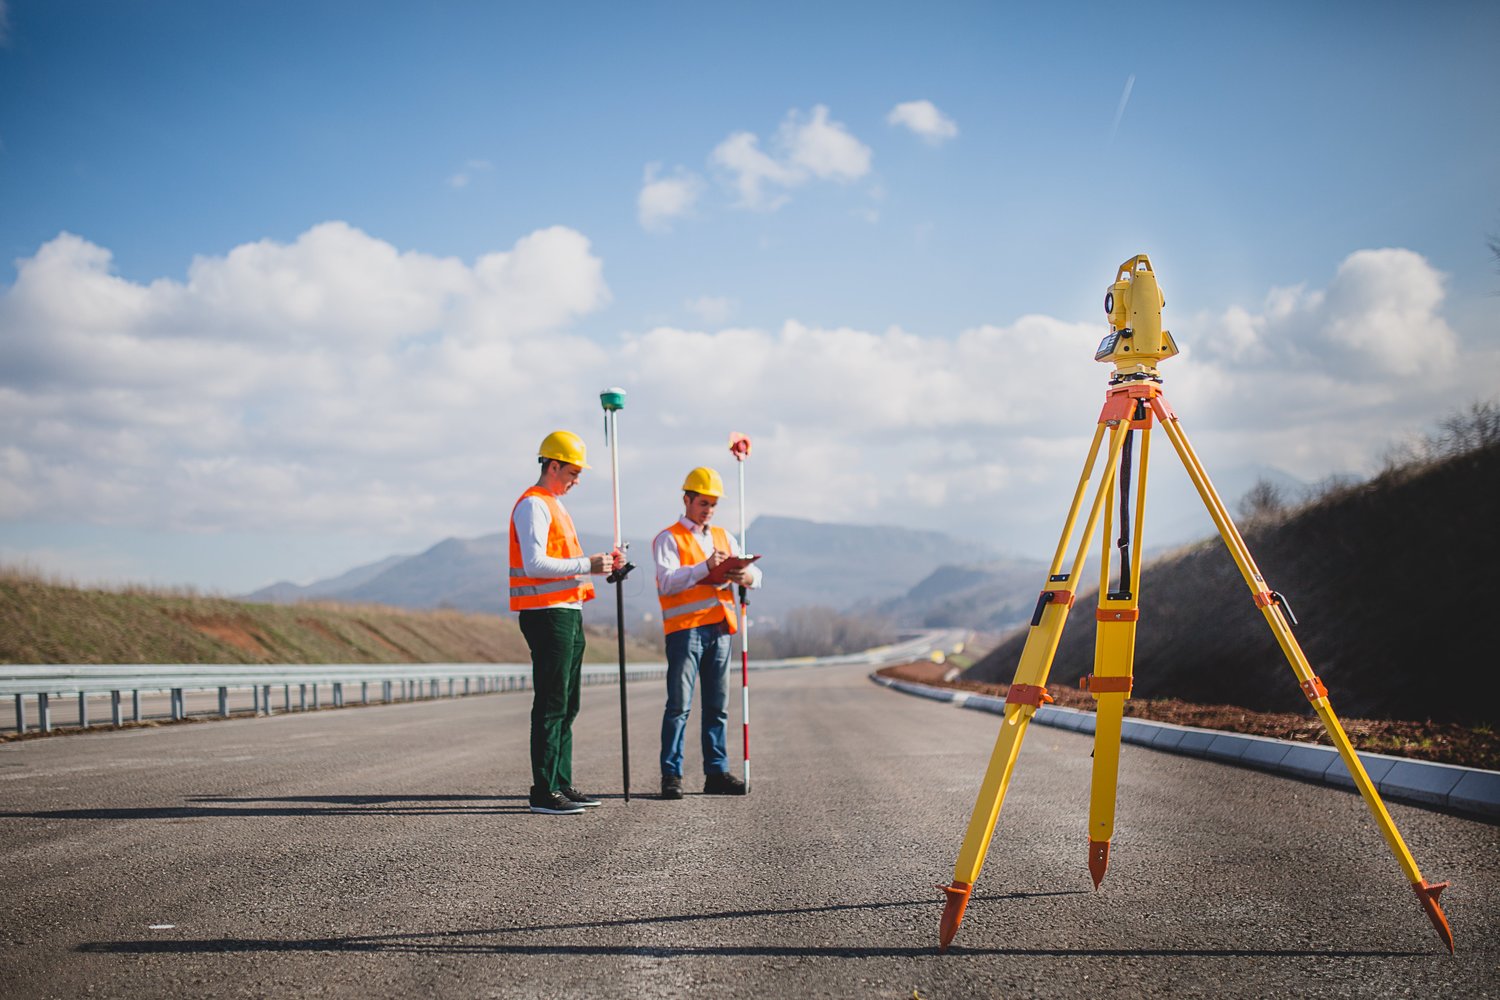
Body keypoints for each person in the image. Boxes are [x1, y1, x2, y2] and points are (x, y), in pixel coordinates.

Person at [509, 430, 622, 815]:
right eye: (573, 471)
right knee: (552, 703)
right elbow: (534, 563)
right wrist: (587, 564)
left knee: (568, 704)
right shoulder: (533, 505)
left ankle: (560, 781)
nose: (578, 479)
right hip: (547, 614)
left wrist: (601, 565)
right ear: (552, 465)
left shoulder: (554, 504)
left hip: (568, 612)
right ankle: (543, 789)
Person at [653, 466, 762, 799]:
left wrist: (747, 577)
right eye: (703, 502)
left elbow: (755, 574)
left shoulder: (724, 537)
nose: (709, 510)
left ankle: (716, 773)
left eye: (713, 504)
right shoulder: (668, 538)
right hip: (685, 631)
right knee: (679, 706)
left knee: (717, 706)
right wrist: (706, 567)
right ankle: (671, 775)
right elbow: (667, 582)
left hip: (720, 628)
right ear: (687, 499)